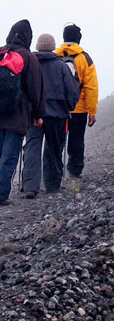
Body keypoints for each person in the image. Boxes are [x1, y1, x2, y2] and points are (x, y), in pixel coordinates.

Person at [21, 34, 80, 198]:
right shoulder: (61, 66)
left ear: (38, 46)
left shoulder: (30, 64)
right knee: (54, 148)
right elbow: (71, 90)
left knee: (32, 147)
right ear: (53, 46)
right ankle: (52, 185)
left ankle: (30, 186)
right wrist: (69, 106)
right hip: (57, 114)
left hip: (33, 114)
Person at [0, 20, 46, 205]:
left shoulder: (1, 52)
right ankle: (1, 194)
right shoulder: (28, 57)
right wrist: (38, 114)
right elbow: (36, 90)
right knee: (9, 157)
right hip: (16, 116)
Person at [55, 23, 98, 179]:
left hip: (57, 107)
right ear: (79, 39)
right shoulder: (84, 58)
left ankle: (54, 172)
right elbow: (91, 87)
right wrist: (92, 111)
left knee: (56, 141)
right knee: (76, 140)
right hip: (78, 109)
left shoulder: (55, 56)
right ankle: (75, 171)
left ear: (64, 37)